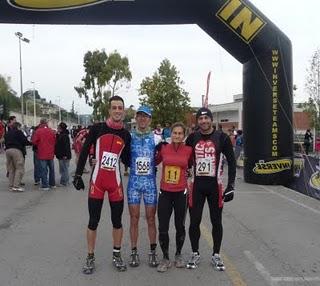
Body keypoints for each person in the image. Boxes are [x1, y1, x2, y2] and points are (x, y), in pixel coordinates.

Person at [73, 96, 131, 274]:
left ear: (124, 110)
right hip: (97, 182)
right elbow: (84, 150)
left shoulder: (126, 134)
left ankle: (117, 254)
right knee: (93, 221)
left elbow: (127, 159)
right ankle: (90, 257)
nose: (117, 111)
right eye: (114, 107)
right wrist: (78, 174)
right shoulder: (97, 128)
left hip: (115, 184)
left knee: (117, 221)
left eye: (120, 108)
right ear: (109, 110)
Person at [185, 107, 236, 271]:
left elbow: (232, 162)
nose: (204, 121)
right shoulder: (192, 138)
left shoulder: (222, 137)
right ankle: (195, 253)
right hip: (197, 186)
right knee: (194, 221)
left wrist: (231, 186)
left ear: (211, 120)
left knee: (216, 221)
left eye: (206, 118)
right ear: (197, 121)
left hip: (215, 186)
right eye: (200, 119)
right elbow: (184, 159)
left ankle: (216, 254)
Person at [127, 106, 162, 268]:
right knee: (133, 219)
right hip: (133, 184)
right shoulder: (129, 137)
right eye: (140, 116)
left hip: (149, 184)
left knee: (150, 219)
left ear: (150, 119)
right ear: (136, 118)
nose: (142, 119)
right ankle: (134, 252)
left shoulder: (157, 139)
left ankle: (152, 252)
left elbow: (163, 157)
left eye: (145, 116)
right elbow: (122, 155)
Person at [155, 122, 192, 272]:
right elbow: (154, 161)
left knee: (180, 226)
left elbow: (191, 165)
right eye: (174, 133)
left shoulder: (189, 150)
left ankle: (178, 255)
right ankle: (165, 257)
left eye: (180, 133)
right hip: (165, 192)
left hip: (181, 193)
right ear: (171, 134)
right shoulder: (164, 148)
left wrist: (189, 173)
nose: (177, 136)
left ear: (184, 135)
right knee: (163, 227)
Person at [4, 122, 31, 192]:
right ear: (18, 127)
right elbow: (24, 141)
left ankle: (11, 185)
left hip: (8, 150)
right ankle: (16, 186)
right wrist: (31, 143)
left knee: (11, 169)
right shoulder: (19, 132)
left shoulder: (7, 133)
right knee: (19, 168)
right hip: (16, 150)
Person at [32, 118, 56, 190]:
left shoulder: (38, 131)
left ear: (40, 123)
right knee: (52, 169)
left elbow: (34, 142)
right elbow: (55, 141)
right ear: (46, 123)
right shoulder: (51, 131)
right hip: (50, 153)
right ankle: (52, 184)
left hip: (42, 153)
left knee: (43, 170)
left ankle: (45, 185)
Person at [55, 122, 72, 186]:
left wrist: (65, 155)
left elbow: (66, 146)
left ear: (61, 128)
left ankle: (64, 182)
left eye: (58, 128)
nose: (57, 129)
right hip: (62, 155)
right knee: (64, 169)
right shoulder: (62, 135)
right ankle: (65, 181)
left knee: (64, 169)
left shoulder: (64, 136)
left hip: (63, 155)